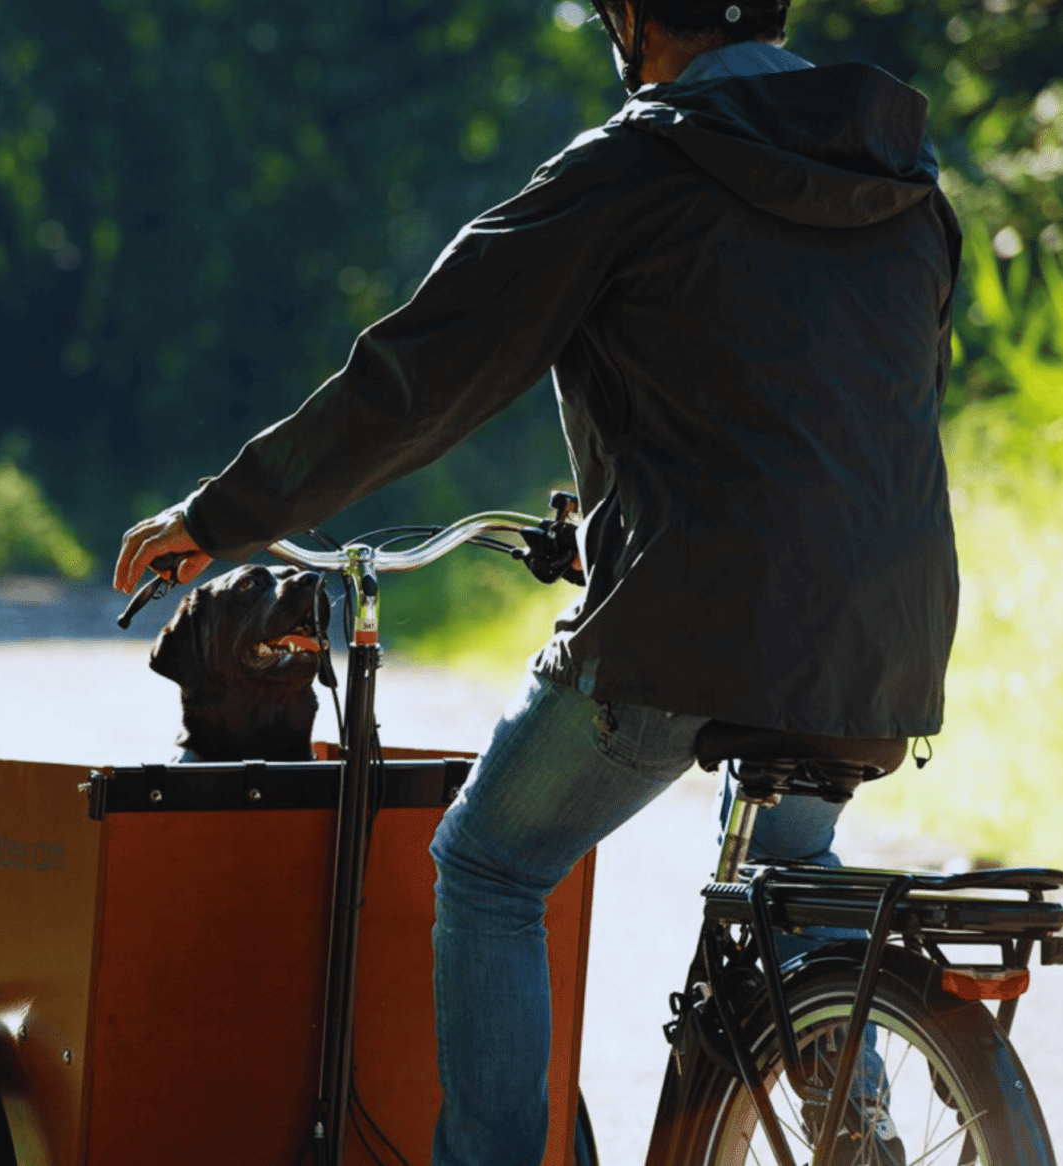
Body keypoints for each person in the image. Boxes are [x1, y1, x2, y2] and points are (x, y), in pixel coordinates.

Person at [112, 0, 961, 1162]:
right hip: (889, 633)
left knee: (489, 864)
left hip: (689, 623)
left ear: (632, 19)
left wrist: (223, 516)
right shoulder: (908, 186)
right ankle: (858, 1137)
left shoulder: (634, 165)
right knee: (794, 872)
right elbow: (837, 412)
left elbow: (422, 376)